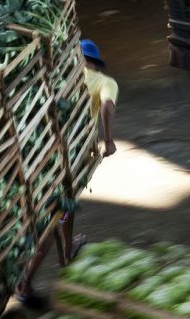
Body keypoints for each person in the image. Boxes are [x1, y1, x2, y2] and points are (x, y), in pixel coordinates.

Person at [16, 39, 118, 309]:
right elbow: (107, 106)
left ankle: (68, 247)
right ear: (95, 62)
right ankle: (24, 286)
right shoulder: (105, 81)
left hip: (36, 152)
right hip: (63, 160)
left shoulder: (57, 75)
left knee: (66, 206)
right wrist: (108, 140)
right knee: (51, 220)